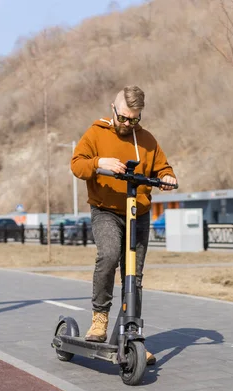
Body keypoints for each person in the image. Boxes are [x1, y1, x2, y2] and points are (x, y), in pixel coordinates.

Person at [71, 85, 177, 365]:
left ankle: (131, 334)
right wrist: (98, 162)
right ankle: (99, 319)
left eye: (135, 119)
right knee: (107, 257)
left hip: (137, 212)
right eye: (124, 118)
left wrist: (167, 177)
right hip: (106, 210)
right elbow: (77, 165)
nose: (128, 124)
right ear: (113, 109)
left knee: (134, 275)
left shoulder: (147, 140)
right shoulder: (95, 133)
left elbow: (163, 168)